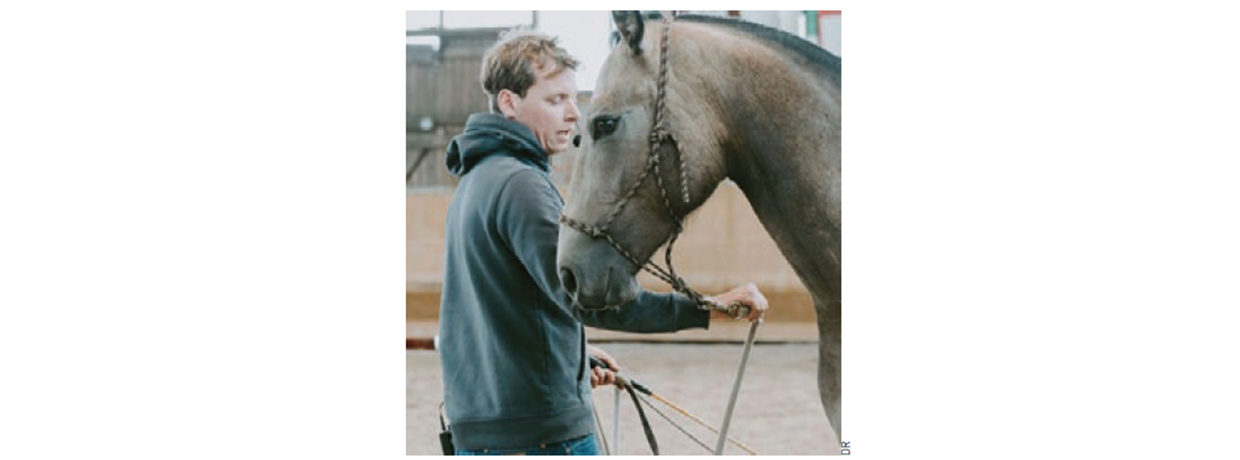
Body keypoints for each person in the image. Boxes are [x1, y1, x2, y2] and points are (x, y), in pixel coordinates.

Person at [438, 28, 768, 456]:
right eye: (555, 100)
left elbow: (503, 309)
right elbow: (590, 298)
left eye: (573, 98)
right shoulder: (522, 186)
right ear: (509, 103)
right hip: (540, 436)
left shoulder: (476, 179)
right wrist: (710, 309)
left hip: (485, 430)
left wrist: (573, 356)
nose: (574, 113)